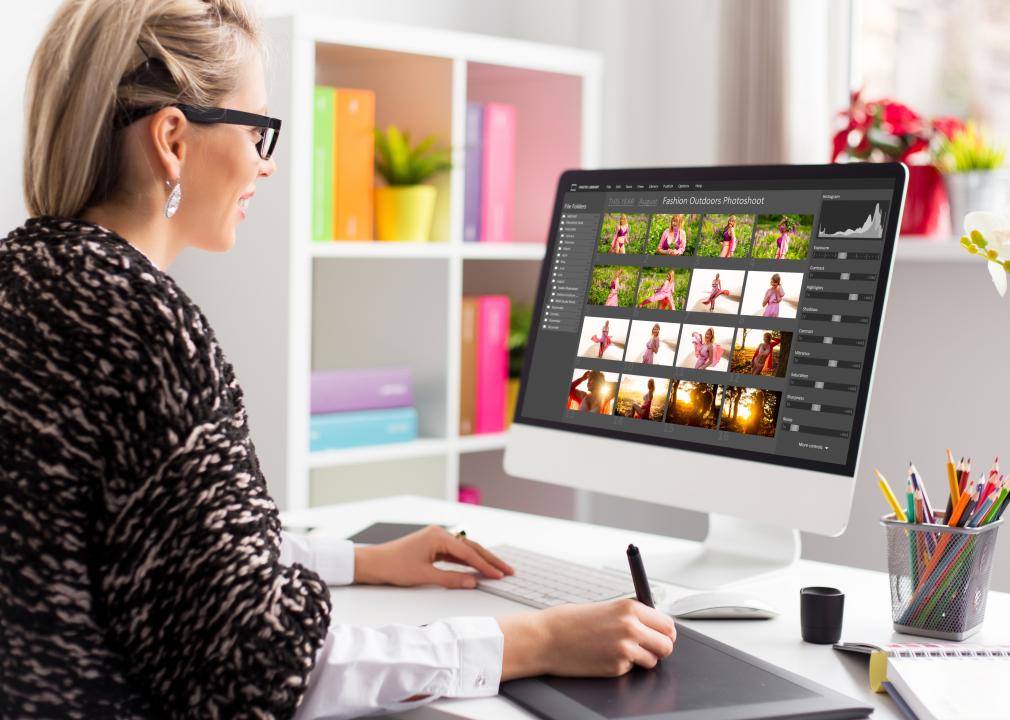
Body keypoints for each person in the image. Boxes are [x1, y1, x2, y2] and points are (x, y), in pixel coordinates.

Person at [1, 2, 676, 718]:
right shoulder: (143, 324)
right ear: (173, 138)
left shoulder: (26, 278)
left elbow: (168, 545)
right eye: (258, 129)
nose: (267, 163)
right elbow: (259, 665)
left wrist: (360, 561)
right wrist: (529, 640)